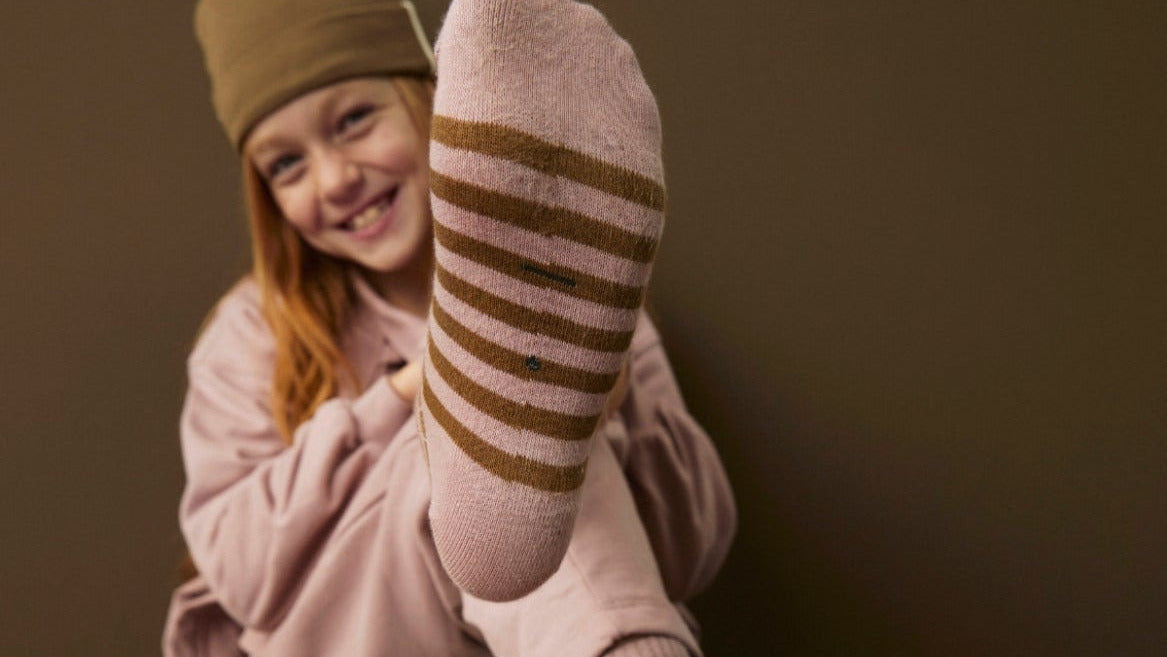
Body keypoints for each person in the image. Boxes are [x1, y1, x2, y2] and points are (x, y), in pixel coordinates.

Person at [164, 0, 736, 655]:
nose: (335, 179)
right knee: (470, 434)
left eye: (353, 121)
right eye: (286, 165)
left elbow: (692, 546)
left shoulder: (572, 287)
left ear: (432, 99)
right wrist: (412, 390)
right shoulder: (250, 333)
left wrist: (603, 398)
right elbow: (239, 569)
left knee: (521, 431)